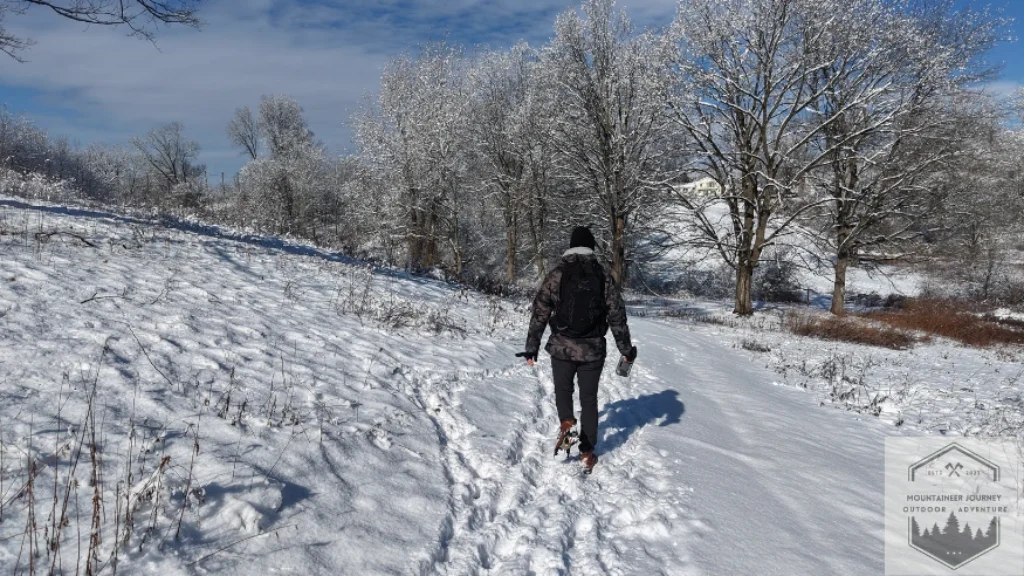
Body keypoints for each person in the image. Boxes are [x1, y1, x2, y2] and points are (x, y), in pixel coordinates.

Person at [517, 226, 636, 472]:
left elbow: (540, 310)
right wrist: (625, 349)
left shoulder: (557, 274)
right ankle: (587, 453)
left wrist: (532, 347)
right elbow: (617, 315)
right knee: (589, 399)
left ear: (571, 247)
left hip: (562, 347)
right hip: (593, 349)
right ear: (591, 247)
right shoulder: (603, 276)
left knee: (563, 390)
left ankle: (567, 425)